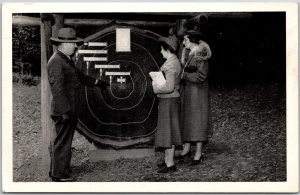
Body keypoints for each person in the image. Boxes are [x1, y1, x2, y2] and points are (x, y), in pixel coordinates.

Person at [47, 27, 109, 182]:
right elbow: (57, 89)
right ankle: (58, 175)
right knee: (62, 142)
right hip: (64, 110)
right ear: (64, 44)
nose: (75, 46)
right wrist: (65, 111)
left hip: (68, 108)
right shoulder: (56, 61)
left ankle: (58, 170)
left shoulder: (65, 59)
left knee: (64, 141)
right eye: (73, 44)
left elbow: (78, 76)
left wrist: (97, 82)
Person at [176, 30, 212, 166]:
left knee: (197, 122)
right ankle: (186, 149)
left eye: (185, 40)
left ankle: (198, 153)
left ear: (192, 40)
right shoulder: (189, 53)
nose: (183, 42)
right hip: (190, 92)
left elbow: (202, 76)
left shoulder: (200, 54)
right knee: (187, 120)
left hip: (197, 94)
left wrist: (184, 76)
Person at [151, 36, 183, 173]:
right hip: (170, 100)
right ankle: (167, 161)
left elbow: (169, 87)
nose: (161, 52)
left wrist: (155, 86)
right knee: (168, 132)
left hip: (168, 99)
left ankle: (170, 164)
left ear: (168, 49)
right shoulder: (174, 61)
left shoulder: (170, 65)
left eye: (162, 49)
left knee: (168, 133)